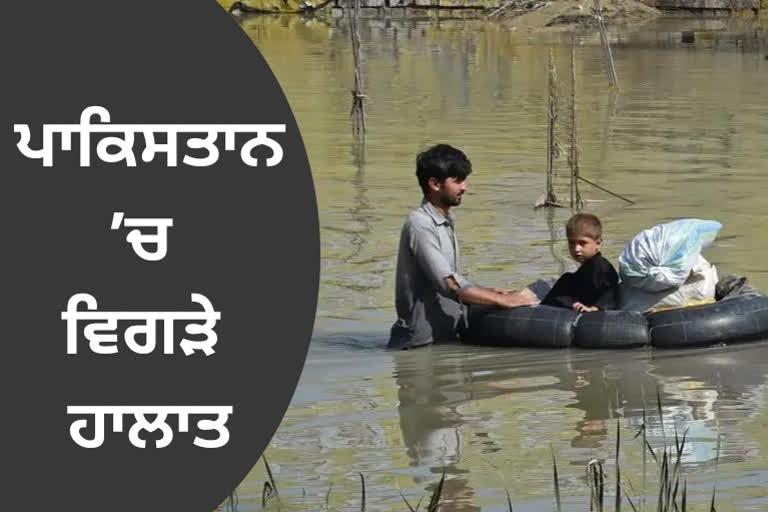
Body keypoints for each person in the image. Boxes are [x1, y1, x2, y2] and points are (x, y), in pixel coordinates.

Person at [389, 144, 536, 350]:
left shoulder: (446, 219)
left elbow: (452, 279)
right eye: (457, 180)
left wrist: (490, 291)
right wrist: (504, 301)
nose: (465, 187)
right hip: (418, 345)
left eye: (464, 179)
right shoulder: (420, 224)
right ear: (434, 184)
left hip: (444, 339)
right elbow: (449, 285)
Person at [541, 213, 619, 312]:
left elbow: (611, 291)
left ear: (598, 243)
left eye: (582, 243)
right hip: (577, 303)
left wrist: (595, 308)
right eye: (572, 243)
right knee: (566, 278)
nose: (576, 249)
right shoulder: (584, 268)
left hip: (593, 311)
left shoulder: (602, 267)